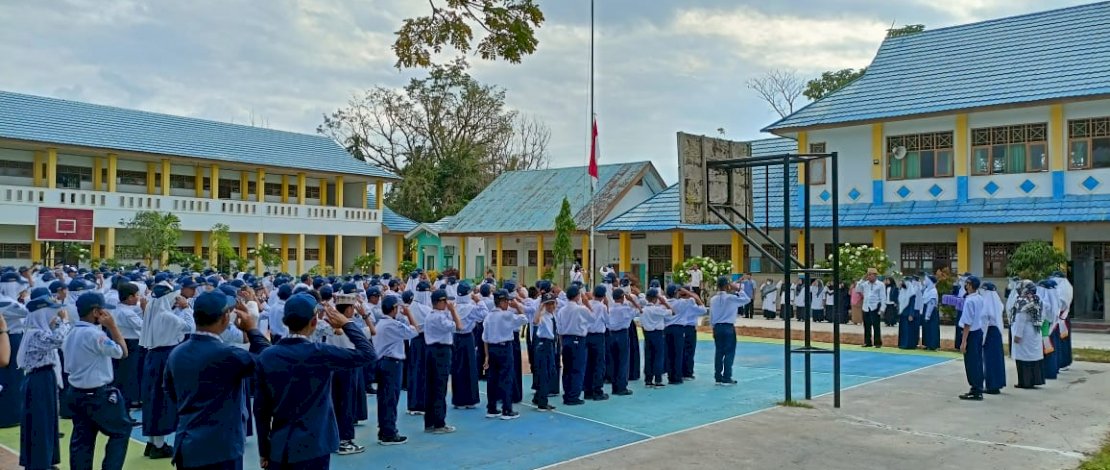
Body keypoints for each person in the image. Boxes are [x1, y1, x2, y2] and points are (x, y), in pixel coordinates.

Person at [254, 292, 376, 469]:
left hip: (281, 446)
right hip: (315, 445)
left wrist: (264, 451)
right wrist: (347, 324)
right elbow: (368, 354)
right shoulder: (320, 353)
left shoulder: (267, 356)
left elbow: (261, 411)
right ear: (313, 322)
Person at [164, 290, 270, 470]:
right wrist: (252, 329)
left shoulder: (176, 353)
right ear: (224, 318)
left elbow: (170, 391)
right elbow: (267, 363)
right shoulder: (228, 355)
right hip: (222, 446)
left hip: (189, 442)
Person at [62, 291, 130, 470]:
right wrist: (113, 327)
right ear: (95, 312)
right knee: (121, 431)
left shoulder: (71, 332)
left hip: (76, 392)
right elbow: (122, 352)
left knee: (82, 440)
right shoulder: (95, 335)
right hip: (97, 394)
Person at [139, 281, 195, 459]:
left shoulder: (151, 310)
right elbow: (190, 327)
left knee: (152, 399)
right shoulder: (167, 316)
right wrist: (186, 308)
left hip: (152, 357)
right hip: (165, 357)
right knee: (163, 401)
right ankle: (159, 445)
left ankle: (152, 441)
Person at [18, 288, 71, 470]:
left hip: (45, 377)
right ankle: (39, 463)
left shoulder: (39, 330)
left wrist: (58, 323)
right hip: (39, 380)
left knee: (49, 421)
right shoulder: (36, 333)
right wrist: (64, 322)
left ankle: (46, 460)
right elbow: (57, 341)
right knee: (40, 423)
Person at [325, 293, 373, 455]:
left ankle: (336, 438)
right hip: (348, 367)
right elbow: (372, 332)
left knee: (336, 403)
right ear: (348, 309)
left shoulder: (329, 324)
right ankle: (345, 441)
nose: (353, 311)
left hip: (333, 367)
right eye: (352, 308)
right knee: (347, 404)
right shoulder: (349, 326)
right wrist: (365, 316)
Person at [372, 295, 418, 445]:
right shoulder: (392, 325)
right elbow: (415, 330)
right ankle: (389, 433)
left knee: (384, 398)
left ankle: (384, 429)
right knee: (390, 398)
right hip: (391, 364)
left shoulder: (381, 323)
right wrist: (409, 314)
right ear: (394, 309)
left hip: (382, 362)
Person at [482, 288, 529, 420]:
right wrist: (518, 307)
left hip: (492, 349)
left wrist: (486, 356)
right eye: (507, 301)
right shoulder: (506, 315)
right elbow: (524, 319)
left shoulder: (489, 316)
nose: (508, 304)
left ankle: (491, 408)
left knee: (492, 379)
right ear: (502, 301)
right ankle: (506, 410)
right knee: (506, 378)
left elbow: (484, 338)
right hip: (504, 348)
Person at [422, 289, 463, 433]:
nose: (447, 304)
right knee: (440, 387)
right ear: (438, 302)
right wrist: (453, 311)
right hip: (441, 352)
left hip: (431, 350)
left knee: (431, 387)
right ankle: (439, 423)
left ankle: (429, 422)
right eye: (444, 301)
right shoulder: (439, 317)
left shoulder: (430, 315)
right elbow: (459, 326)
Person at [0, 271, 31, 428]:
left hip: (8, 337)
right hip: (10, 338)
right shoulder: (7, 301)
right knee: (13, 378)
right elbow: (26, 312)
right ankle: (11, 415)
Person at [710, 276, 751, 386]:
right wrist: (738, 289)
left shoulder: (713, 299)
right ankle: (727, 377)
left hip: (717, 327)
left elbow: (711, 316)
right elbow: (747, 299)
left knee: (719, 352)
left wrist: (713, 328)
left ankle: (717, 377)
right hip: (728, 327)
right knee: (729, 352)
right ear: (727, 286)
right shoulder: (730, 298)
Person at [451, 283, 486, 410]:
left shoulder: (454, 306)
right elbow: (484, 314)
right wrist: (479, 301)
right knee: (470, 368)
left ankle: (458, 400)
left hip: (456, 338)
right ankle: (470, 399)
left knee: (457, 368)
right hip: (467, 337)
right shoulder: (470, 308)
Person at [109, 282, 144, 410]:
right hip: (130, 344)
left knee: (122, 376)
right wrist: (146, 310)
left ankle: (123, 406)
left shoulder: (118, 309)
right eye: (136, 295)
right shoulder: (127, 313)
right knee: (129, 376)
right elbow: (143, 325)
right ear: (129, 298)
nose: (138, 298)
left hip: (124, 342)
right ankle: (126, 409)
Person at [557, 285, 589, 405]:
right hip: (578, 340)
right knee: (577, 369)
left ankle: (567, 394)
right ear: (577, 296)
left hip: (566, 339)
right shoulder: (580, 309)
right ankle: (574, 395)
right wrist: (586, 303)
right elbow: (592, 318)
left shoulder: (561, 310)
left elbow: (559, 330)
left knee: (567, 368)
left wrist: (561, 344)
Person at [1010, 281, 1044, 389]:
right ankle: (1035, 380)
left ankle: (1025, 382)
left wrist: (1017, 335)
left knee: (1023, 358)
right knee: (1034, 358)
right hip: (1035, 331)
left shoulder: (1022, 301)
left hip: (1024, 332)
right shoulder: (1037, 299)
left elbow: (1021, 319)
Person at [606, 287, 639, 396]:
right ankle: (621, 387)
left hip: (611, 335)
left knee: (614, 361)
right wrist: (632, 300)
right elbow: (639, 310)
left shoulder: (610, 309)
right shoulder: (625, 309)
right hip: (622, 334)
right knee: (623, 362)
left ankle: (615, 386)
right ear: (622, 297)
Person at [406, 281, 432, 416]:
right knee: (423, 372)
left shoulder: (411, 306)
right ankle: (421, 403)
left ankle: (413, 404)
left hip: (414, 341)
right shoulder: (425, 309)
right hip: (423, 340)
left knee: (414, 371)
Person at [958, 276, 985, 401]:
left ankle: (975, 389)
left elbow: (967, 322)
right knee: (978, 361)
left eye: (967, 284)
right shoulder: (979, 298)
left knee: (971, 363)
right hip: (978, 331)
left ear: (970, 285)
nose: (966, 286)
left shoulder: (970, 301)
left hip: (971, 333)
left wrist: (964, 341)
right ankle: (978, 386)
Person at [531, 293, 559, 410]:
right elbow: (535, 321)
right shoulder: (543, 315)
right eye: (548, 304)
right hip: (544, 345)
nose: (551, 306)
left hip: (550, 345)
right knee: (545, 373)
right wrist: (540, 308)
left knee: (549, 371)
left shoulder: (553, 315)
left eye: (552, 303)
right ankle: (542, 403)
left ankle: (538, 397)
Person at [640, 289, 672, 388]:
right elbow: (671, 311)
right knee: (658, 356)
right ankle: (658, 379)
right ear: (655, 298)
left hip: (647, 334)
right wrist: (663, 301)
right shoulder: (657, 309)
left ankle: (648, 380)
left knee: (648, 356)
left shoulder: (643, 310)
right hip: (658, 333)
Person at [584, 285, 609, 401]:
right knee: (598, 364)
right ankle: (597, 390)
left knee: (588, 364)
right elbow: (608, 321)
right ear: (604, 296)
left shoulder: (587, 304)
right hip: (598, 336)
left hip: (587, 336)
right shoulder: (602, 307)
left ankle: (587, 390)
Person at [981, 282, 1006, 395]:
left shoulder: (987, 304)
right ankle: (997, 383)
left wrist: (982, 338)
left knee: (990, 360)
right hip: (997, 333)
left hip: (990, 333)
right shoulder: (997, 303)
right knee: (997, 360)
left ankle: (992, 385)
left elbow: (985, 323)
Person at [857, 268, 885, 347]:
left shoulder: (880, 284)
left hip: (875, 307)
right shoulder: (865, 284)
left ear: (875, 275)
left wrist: (882, 308)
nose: (869, 276)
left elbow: (883, 297)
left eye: (870, 275)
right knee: (866, 326)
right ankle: (867, 342)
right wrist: (862, 279)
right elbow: (857, 289)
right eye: (868, 275)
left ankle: (877, 343)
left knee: (876, 326)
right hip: (866, 307)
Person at [920, 275, 941, 351]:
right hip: (926, 309)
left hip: (931, 311)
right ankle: (927, 344)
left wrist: (927, 315)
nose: (925, 281)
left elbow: (931, 304)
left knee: (932, 328)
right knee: (926, 328)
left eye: (926, 280)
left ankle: (933, 345)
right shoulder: (927, 290)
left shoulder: (933, 291)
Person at [896, 277, 918, 350]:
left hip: (908, 313)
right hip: (902, 313)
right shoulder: (902, 291)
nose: (902, 283)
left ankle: (908, 345)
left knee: (908, 330)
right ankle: (902, 344)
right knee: (903, 330)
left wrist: (911, 314)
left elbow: (912, 304)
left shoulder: (912, 293)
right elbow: (899, 301)